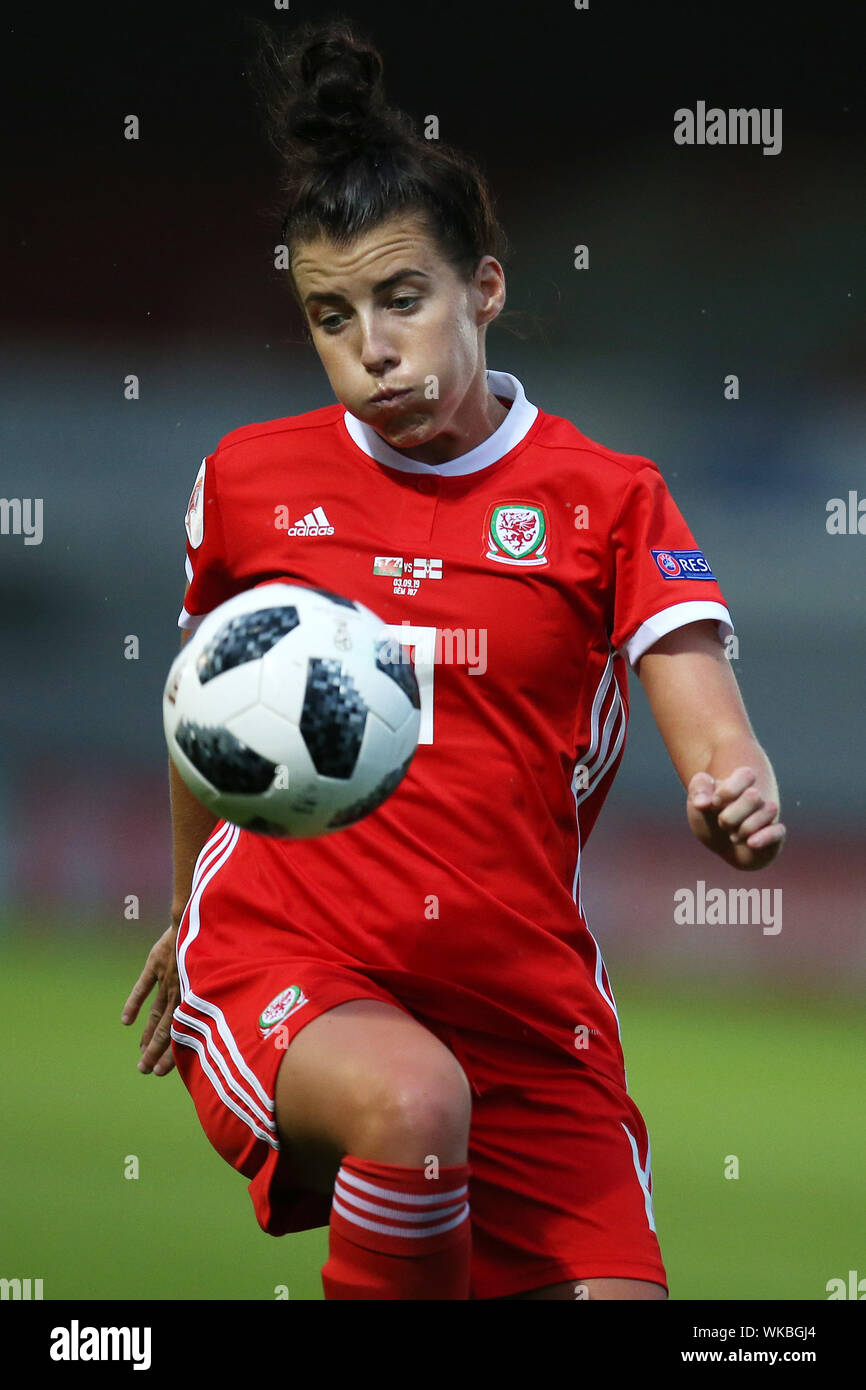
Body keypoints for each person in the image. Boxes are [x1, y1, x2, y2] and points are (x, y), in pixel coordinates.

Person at [122, 16, 785, 1301]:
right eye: (330, 314)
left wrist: (733, 791)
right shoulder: (252, 483)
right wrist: (178, 904)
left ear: (481, 289)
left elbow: (710, 720)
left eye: (402, 299)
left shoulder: (606, 498)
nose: (371, 346)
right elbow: (205, 710)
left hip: (521, 1007)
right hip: (296, 961)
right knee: (413, 1105)